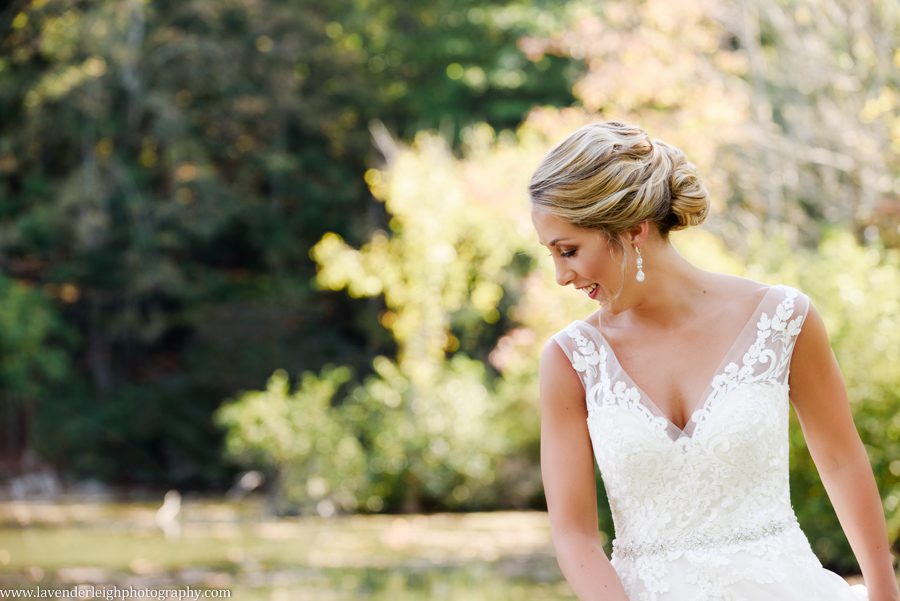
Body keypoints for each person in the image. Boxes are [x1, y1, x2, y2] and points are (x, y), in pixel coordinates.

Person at [530, 121, 899, 601]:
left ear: (633, 229)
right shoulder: (570, 360)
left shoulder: (784, 318)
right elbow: (574, 536)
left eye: (569, 251)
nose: (561, 276)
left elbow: (840, 459)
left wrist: (885, 594)